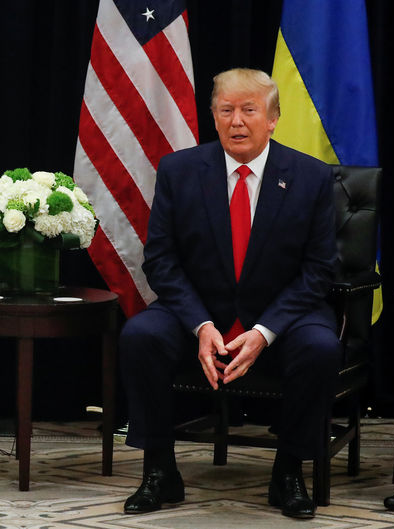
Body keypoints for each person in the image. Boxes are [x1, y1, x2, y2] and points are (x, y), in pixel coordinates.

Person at [119, 68, 340, 519]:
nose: (237, 121)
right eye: (226, 110)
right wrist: (200, 324)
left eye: (249, 110)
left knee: (320, 347)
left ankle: (289, 470)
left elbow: (319, 271)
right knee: (141, 336)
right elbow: (161, 261)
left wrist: (264, 331)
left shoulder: (311, 177)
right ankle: (160, 469)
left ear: (273, 118)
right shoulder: (179, 171)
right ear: (214, 117)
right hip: (199, 312)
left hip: (282, 317)